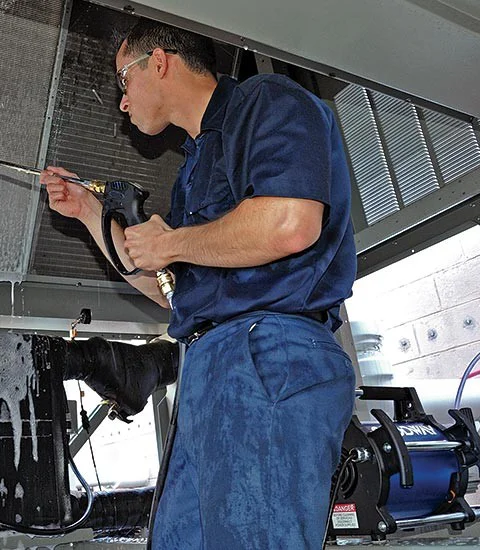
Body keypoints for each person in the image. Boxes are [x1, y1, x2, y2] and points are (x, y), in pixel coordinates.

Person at [40, 19, 357, 550]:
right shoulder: (193, 169)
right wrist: (91, 215)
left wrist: (174, 243)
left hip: (266, 352)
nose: (121, 102)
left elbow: (290, 222)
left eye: (123, 81)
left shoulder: (266, 102)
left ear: (158, 62)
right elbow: (175, 292)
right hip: (210, 367)